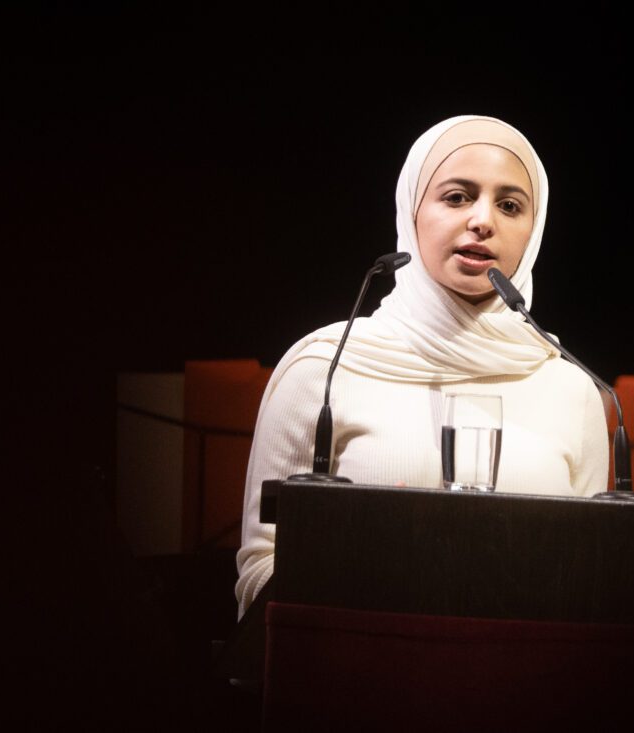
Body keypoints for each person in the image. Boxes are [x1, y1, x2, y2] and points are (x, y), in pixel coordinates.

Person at [235, 115, 610, 617]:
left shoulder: (571, 388)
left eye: (510, 205)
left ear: (534, 230)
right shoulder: (325, 369)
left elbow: (590, 581)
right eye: (457, 197)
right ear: (411, 211)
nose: (483, 220)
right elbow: (261, 566)